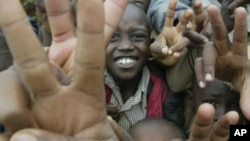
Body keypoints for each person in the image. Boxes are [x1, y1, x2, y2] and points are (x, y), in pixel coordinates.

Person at [0, 0, 247, 141]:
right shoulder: (174, 90)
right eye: (114, 36)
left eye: (137, 36)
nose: (126, 45)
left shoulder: (168, 92)